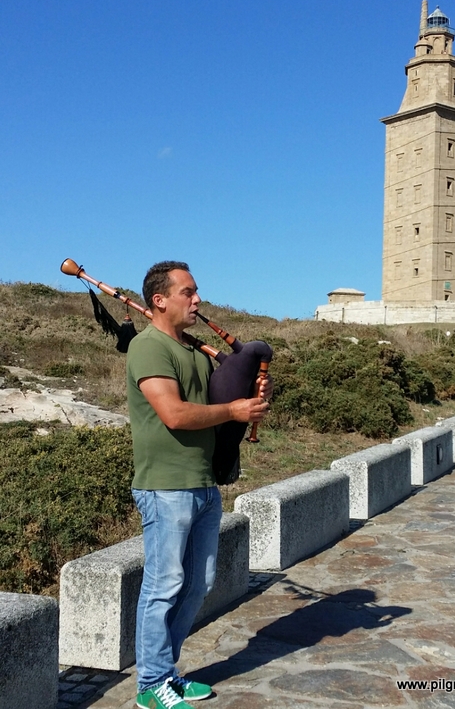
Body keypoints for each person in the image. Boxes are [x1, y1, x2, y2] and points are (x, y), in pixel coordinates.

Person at [127, 261, 272, 709]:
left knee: (198, 584)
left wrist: (251, 391)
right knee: (164, 584)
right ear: (160, 300)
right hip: (165, 487)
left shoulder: (193, 351)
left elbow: (219, 396)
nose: (197, 300)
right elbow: (174, 414)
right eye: (187, 292)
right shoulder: (148, 348)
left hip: (203, 483)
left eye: (197, 292)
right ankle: (150, 685)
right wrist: (233, 412)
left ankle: (167, 673)